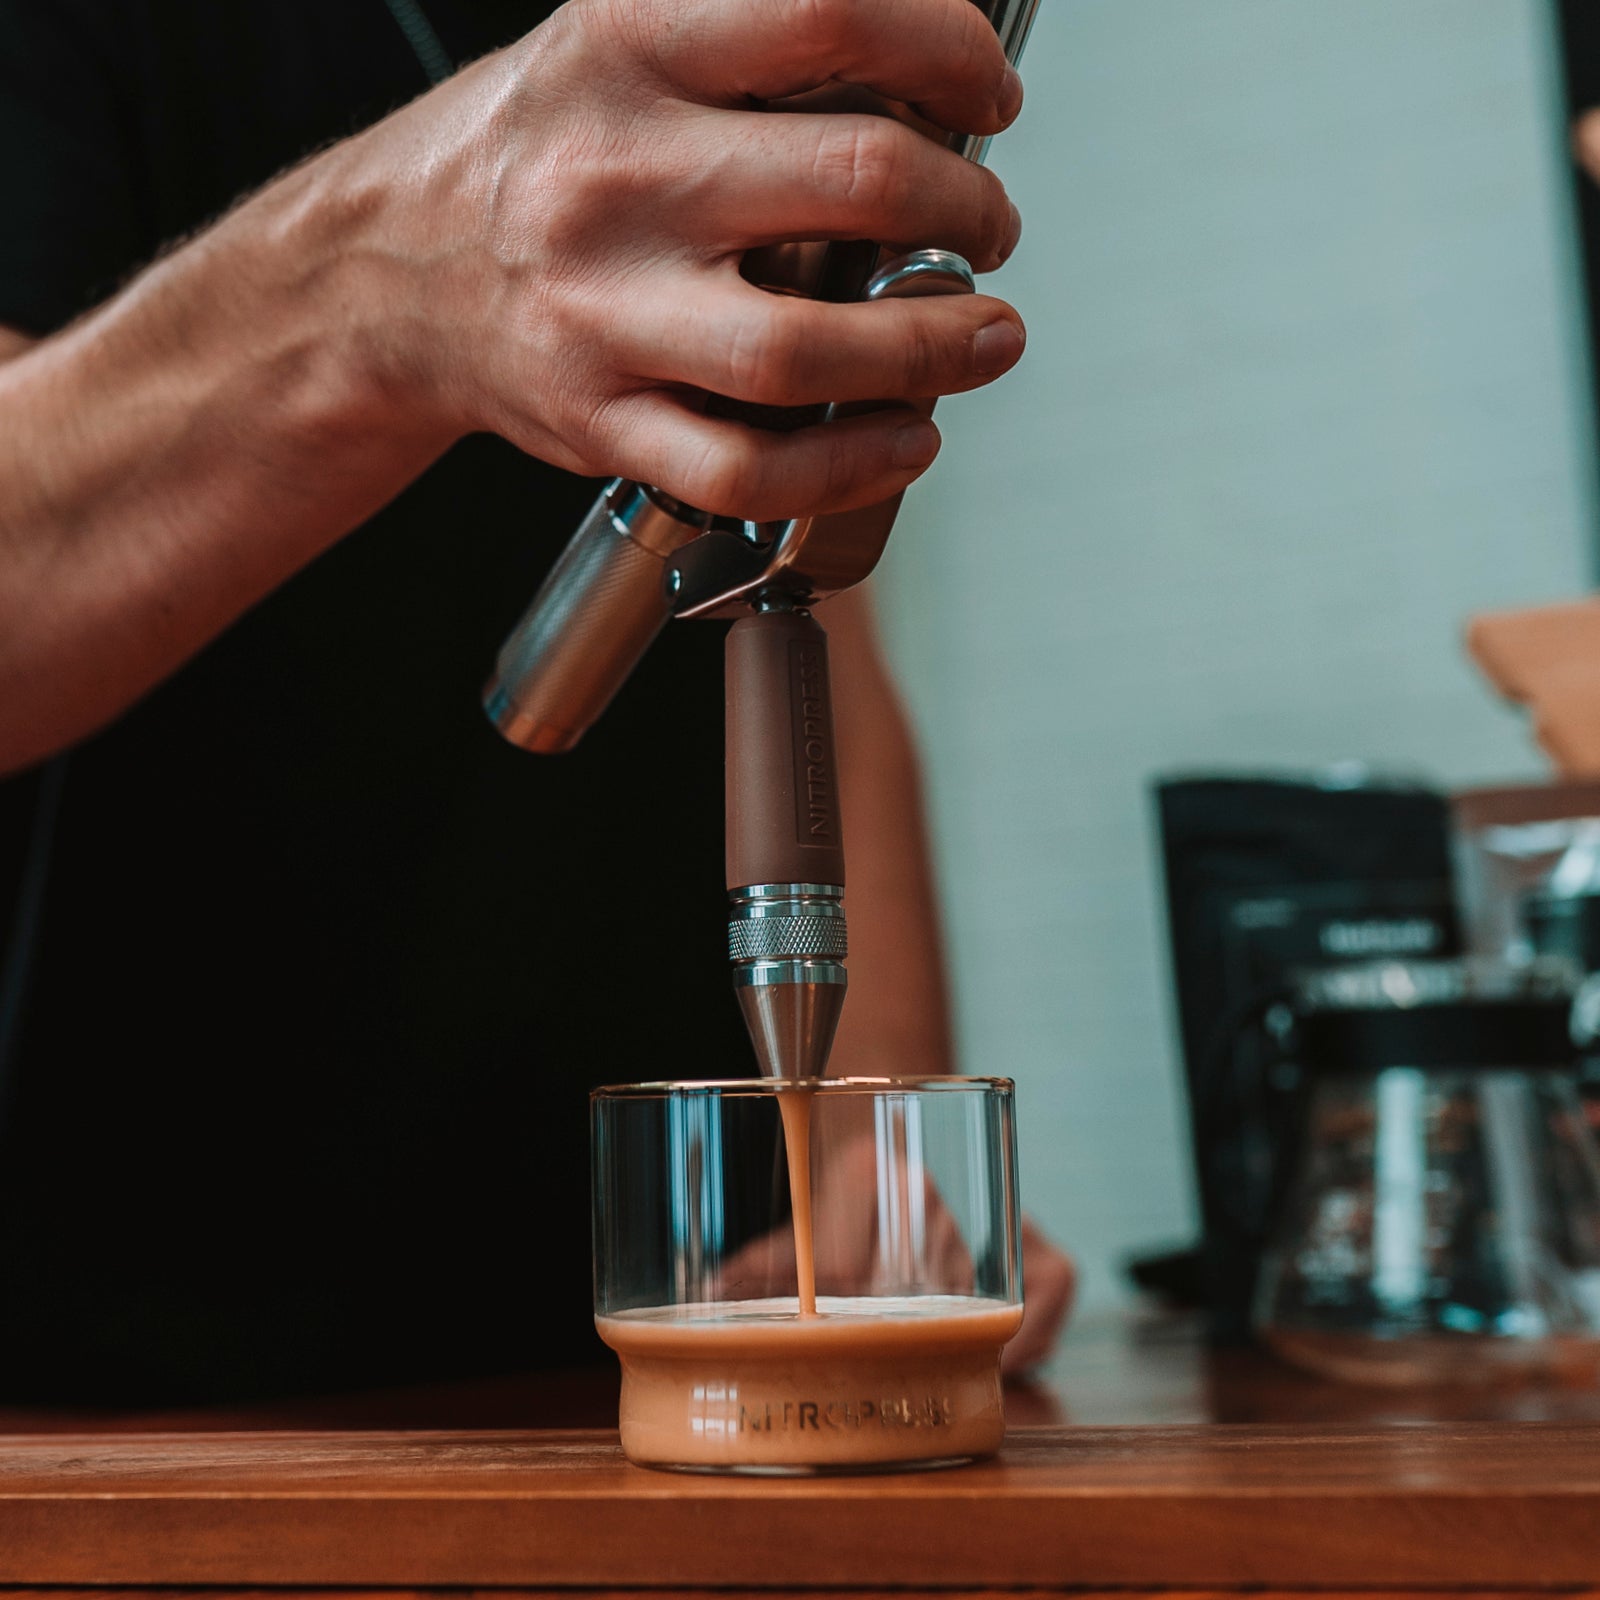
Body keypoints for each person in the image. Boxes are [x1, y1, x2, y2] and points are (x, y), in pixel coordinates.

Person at [0, 0, 1071, 1404]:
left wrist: (880, 1163)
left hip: (683, 1349)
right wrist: (373, 293)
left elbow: (801, 588)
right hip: (115, 1391)